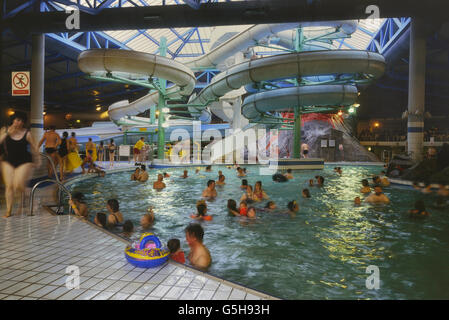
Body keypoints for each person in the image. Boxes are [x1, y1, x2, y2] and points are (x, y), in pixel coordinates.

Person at [0, 112, 41, 217]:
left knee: (18, 184)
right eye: (17, 120)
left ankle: (32, 197)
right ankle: (9, 210)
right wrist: (8, 133)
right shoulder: (5, 130)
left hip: (24, 161)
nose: (19, 123)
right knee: (9, 186)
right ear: (13, 120)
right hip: (8, 160)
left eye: (21, 121)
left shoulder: (27, 133)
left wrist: (38, 159)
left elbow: (34, 147)